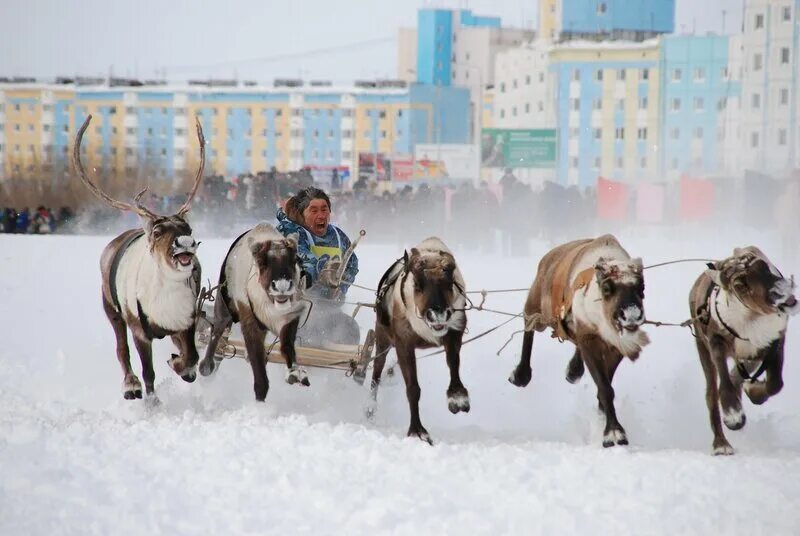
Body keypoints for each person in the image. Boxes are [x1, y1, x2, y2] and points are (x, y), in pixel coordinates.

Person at [276, 186, 360, 347]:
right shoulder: (290, 231)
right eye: (313, 211)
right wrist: (321, 271)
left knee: (350, 329)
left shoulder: (338, 236)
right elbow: (301, 256)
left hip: (327, 309)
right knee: (308, 335)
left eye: (324, 209)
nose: (321, 215)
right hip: (291, 310)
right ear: (302, 213)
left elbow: (352, 264)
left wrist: (341, 287)